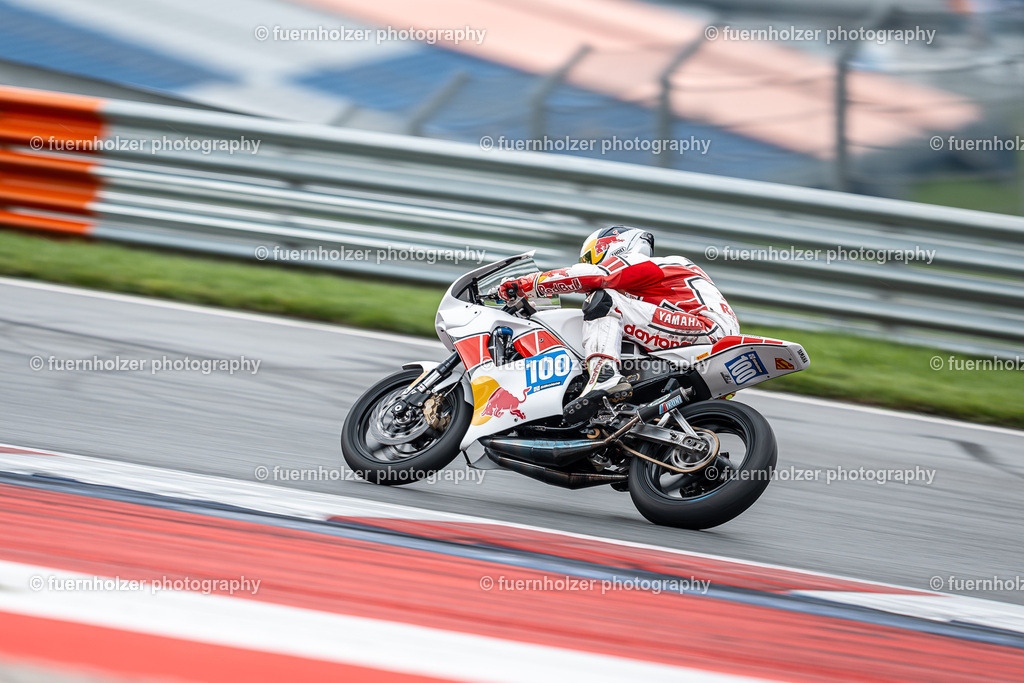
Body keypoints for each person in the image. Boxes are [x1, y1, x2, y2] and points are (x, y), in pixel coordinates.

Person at [498, 226, 739, 418]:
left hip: (705, 328)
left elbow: (596, 277)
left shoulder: (641, 261)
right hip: (702, 338)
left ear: (612, 246)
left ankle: (604, 376)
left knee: (603, 299)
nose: (593, 264)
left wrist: (527, 284)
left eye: (592, 258)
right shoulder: (651, 284)